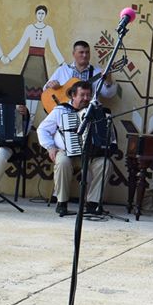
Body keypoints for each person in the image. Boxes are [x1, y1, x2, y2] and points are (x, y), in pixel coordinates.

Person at [37, 80, 110, 216]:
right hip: (65, 152)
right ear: (73, 96)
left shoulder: (96, 111)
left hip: (89, 154)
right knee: (62, 162)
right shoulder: (61, 110)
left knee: (104, 163)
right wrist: (50, 147)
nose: (86, 98)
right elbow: (42, 129)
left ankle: (92, 203)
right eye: (82, 95)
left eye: (88, 95)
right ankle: (62, 202)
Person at [4, 5, 65, 117]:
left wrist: (63, 63)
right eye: (39, 13)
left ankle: (31, 119)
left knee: (37, 93)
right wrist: (9, 57)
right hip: (30, 62)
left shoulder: (48, 29)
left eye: (43, 13)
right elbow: (20, 44)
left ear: (45, 15)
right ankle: (26, 118)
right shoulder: (30, 28)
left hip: (40, 63)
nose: (40, 15)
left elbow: (54, 47)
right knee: (27, 92)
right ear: (35, 14)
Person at [45, 40, 118, 101]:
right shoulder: (62, 70)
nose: (85, 55)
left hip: (88, 111)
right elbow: (45, 89)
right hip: (65, 111)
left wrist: (108, 81)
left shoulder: (98, 72)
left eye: (87, 52)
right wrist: (51, 85)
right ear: (73, 54)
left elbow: (109, 95)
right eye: (81, 52)